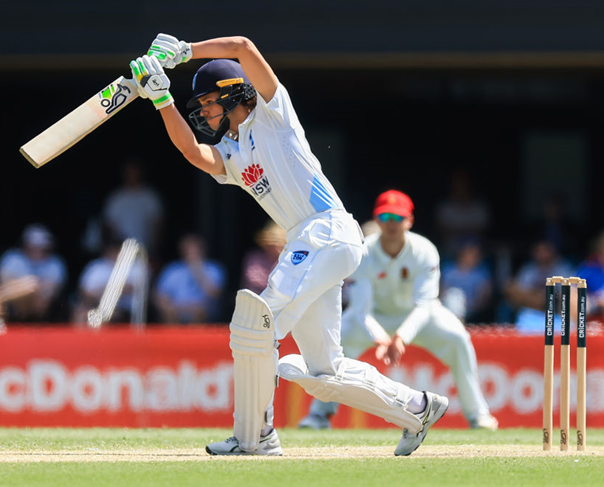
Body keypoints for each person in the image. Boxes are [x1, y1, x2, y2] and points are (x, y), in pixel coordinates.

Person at [130, 33, 448, 456]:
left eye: (207, 102)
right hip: (314, 242)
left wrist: (185, 51)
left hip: (326, 229)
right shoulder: (231, 150)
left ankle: (255, 436)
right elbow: (193, 152)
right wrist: (161, 100)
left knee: (256, 324)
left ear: (233, 94)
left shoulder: (271, 115)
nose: (203, 113)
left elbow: (242, 47)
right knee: (323, 373)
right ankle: (417, 408)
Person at [298, 190, 498, 431]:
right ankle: (319, 415)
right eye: (385, 218)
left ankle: (478, 415)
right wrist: (379, 337)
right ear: (377, 219)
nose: (391, 224)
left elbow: (425, 304)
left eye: (397, 217)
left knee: (458, 338)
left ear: (409, 221)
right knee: (335, 342)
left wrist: (401, 337)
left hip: (420, 318)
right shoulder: (362, 252)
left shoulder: (424, 250)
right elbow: (361, 309)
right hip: (373, 319)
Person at [71, 234, 149, 326]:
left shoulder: (136, 267)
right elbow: (85, 291)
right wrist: (114, 289)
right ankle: (80, 340)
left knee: (102, 316)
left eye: (118, 250)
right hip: (95, 304)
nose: (116, 253)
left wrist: (102, 291)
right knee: (80, 314)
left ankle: (99, 340)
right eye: (113, 250)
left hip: (123, 308)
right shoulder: (95, 266)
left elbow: (132, 288)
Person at [0, 224, 68, 322]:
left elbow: (51, 291)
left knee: (39, 297)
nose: (38, 251)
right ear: (26, 245)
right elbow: (3, 286)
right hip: (13, 305)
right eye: (34, 246)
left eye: (42, 247)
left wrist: (28, 288)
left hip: (41, 307)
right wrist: (28, 289)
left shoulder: (55, 263)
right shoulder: (13, 258)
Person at [504, 238, 576, 332]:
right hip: (530, 308)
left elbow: (569, 291)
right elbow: (518, 291)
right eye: (538, 251)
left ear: (552, 251)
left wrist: (545, 297)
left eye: (545, 250)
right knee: (511, 288)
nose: (542, 254)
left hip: (555, 306)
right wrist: (535, 296)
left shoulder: (563, 268)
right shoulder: (529, 269)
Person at [154, 233, 226, 324]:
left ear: (202, 249)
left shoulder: (214, 269)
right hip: (176, 309)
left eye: (194, 248)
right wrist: (170, 307)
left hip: (201, 310)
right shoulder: (172, 269)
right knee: (168, 312)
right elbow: (159, 295)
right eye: (187, 248)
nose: (190, 251)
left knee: (199, 312)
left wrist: (197, 270)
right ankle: (173, 338)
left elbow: (215, 294)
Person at [101, 158, 165, 261]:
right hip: (119, 251)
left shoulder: (149, 197)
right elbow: (109, 226)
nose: (132, 175)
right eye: (129, 172)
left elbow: (158, 225)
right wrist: (113, 248)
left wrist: (155, 250)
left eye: (134, 171)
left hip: (145, 250)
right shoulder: (116, 198)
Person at [440, 238, 494, 324]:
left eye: (477, 253)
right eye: (471, 252)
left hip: (473, 313)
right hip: (448, 310)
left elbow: (484, 300)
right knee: (454, 296)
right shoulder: (448, 270)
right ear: (461, 253)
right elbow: (440, 292)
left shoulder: (482, 273)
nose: (475, 256)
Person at [240, 220, 286, 294]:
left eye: (277, 243)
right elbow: (253, 281)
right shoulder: (254, 258)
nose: (274, 247)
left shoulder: (288, 261)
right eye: (271, 243)